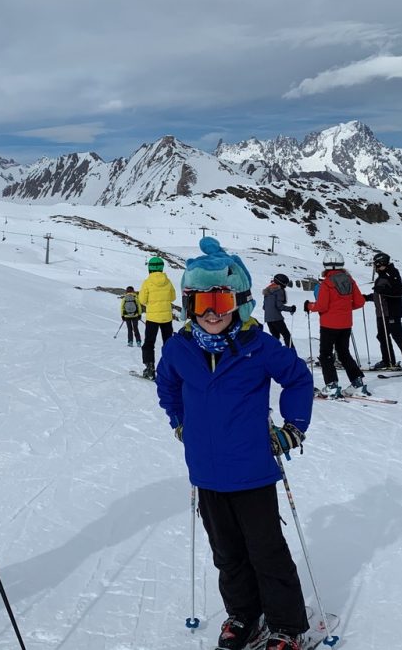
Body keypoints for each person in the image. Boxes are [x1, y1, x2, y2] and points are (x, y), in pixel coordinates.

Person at [156, 237, 314, 650]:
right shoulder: (179, 348)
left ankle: (287, 624)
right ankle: (244, 614)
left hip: (252, 470)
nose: (211, 313)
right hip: (206, 472)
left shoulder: (258, 347)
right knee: (226, 554)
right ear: (189, 304)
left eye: (221, 302)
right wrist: (179, 423)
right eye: (202, 302)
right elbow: (167, 386)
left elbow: (298, 378)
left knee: (267, 552)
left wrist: (293, 427)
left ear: (240, 302)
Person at [304, 254, 368, 398]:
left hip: (328, 324)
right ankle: (357, 383)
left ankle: (332, 385)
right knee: (344, 353)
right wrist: (343, 308)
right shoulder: (350, 281)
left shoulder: (327, 283)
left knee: (326, 355)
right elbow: (360, 302)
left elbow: (321, 306)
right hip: (345, 324)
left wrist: (309, 306)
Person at [366, 251, 402, 372]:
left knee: (398, 336)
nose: (375, 267)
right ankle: (388, 360)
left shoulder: (392, 274)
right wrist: (366, 297)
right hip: (382, 312)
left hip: (391, 312)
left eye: (377, 265)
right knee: (382, 336)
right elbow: (379, 294)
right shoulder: (383, 275)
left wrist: (382, 290)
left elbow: (398, 291)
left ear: (382, 263)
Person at [139, 255, 177, 379]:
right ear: (161, 268)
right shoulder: (168, 281)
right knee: (168, 343)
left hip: (152, 318)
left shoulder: (147, 282)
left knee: (149, 343)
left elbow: (142, 300)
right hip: (167, 317)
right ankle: (170, 369)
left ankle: (150, 368)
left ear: (149, 268)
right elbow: (173, 298)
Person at [262, 273, 298, 348]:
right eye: (285, 283)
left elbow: (264, 307)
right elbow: (279, 306)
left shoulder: (267, 291)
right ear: (282, 283)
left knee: (275, 337)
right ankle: (292, 353)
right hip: (276, 318)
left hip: (268, 319)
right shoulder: (279, 290)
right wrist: (291, 309)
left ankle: (275, 355)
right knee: (286, 335)